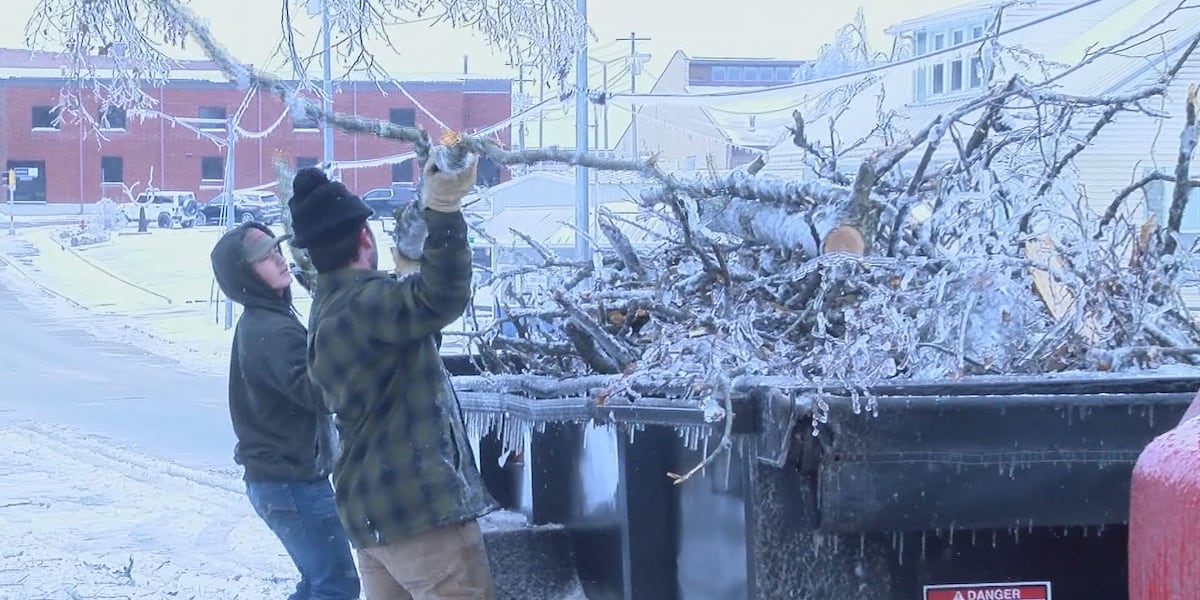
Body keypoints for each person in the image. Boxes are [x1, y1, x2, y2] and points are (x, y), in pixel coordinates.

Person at [287, 153, 498, 600]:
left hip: (372, 518)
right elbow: (442, 297)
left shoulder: (327, 312)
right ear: (365, 238)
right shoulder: (367, 305)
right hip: (420, 515)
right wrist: (443, 209)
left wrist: (406, 278)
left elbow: (409, 336)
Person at [210, 222, 360, 600]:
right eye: (263, 258)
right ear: (245, 274)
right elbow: (321, 393)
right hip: (291, 483)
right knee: (337, 586)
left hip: (282, 481)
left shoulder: (265, 321)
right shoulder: (272, 330)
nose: (278, 259)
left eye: (276, 250)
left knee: (318, 583)